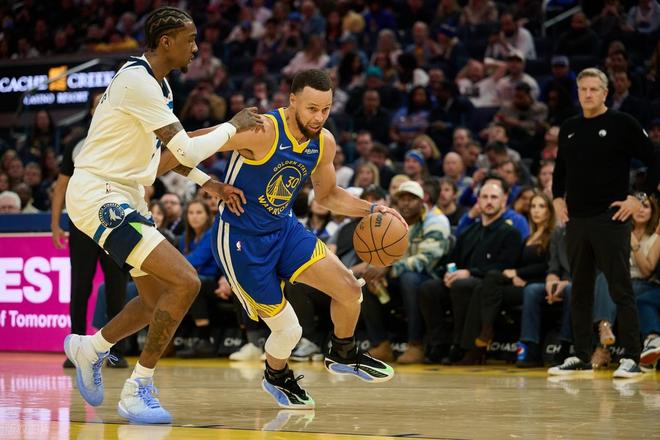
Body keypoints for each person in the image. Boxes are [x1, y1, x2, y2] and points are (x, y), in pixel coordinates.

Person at [62, 6, 260, 424]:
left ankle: (90, 348)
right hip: (99, 193)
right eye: (190, 39)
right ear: (166, 41)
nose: (196, 48)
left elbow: (165, 154)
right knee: (185, 281)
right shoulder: (137, 81)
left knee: (155, 300)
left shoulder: (160, 84)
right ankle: (138, 388)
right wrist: (233, 127)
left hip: (126, 193)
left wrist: (209, 183)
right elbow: (186, 147)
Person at [208, 69, 405, 409]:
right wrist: (209, 184)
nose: (319, 117)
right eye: (312, 108)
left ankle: (343, 353)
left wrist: (373, 209)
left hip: (284, 229)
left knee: (350, 290)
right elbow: (185, 145)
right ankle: (276, 375)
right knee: (289, 331)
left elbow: (327, 196)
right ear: (293, 100)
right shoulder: (262, 130)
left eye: (326, 109)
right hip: (242, 240)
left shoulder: (323, 141)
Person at [549, 68, 659, 379]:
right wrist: (557, 198)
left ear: (605, 93)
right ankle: (581, 355)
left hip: (611, 218)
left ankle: (632, 356)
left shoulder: (622, 123)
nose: (587, 94)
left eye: (594, 89)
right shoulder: (569, 127)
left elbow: (655, 160)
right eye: (583, 89)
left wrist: (638, 197)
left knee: (620, 287)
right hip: (577, 220)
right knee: (580, 288)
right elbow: (560, 170)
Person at [50, 92, 129, 369]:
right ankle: (76, 349)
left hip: (115, 221)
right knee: (80, 286)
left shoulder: (124, 139)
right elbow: (61, 185)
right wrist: (55, 223)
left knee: (116, 286)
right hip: (82, 222)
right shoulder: (76, 143)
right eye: (99, 103)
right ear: (93, 111)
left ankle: (116, 350)